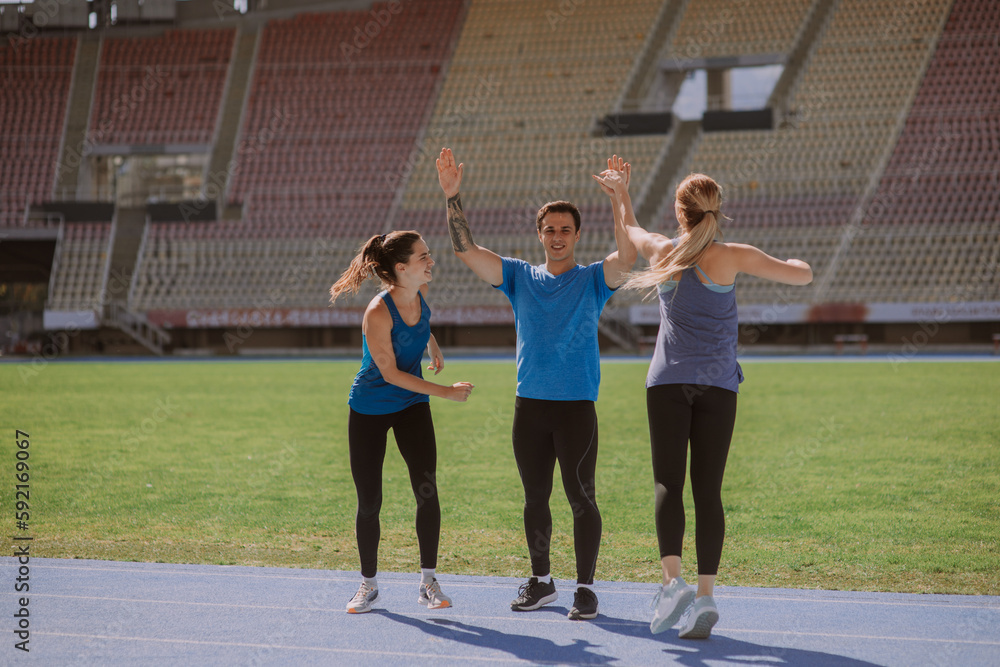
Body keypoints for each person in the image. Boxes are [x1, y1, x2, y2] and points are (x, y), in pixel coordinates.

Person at [435, 147, 637, 620]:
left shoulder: (592, 281)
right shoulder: (519, 276)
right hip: (530, 407)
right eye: (550, 229)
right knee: (534, 499)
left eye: (566, 229)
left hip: (576, 408)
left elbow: (628, 254)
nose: (558, 236)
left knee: (581, 497)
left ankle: (585, 588)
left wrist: (619, 198)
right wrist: (452, 196)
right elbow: (466, 250)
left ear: (577, 235)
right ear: (540, 235)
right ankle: (542, 581)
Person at [610, 171, 813, 638]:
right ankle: (704, 596)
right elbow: (801, 276)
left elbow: (631, 229)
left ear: (679, 212)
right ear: (716, 209)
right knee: (708, 491)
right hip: (719, 386)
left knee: (668, 483)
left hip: (667, 384)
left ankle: (672, 581)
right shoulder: (732, 255)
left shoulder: (663, 251)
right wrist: (797, 260)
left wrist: (620, 193)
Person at [329, 230, 475, 614]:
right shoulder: (378, 311)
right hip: (370, 408)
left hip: (411, 404)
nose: (431, 261)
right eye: (424, 256)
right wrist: (444, 391)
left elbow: (420, 323)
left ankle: (428, 582)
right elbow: (390, 373)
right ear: (401, 267)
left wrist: (433, 345)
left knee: (427, 491)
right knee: (370, 502)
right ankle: (368, 585)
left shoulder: (418, 294)